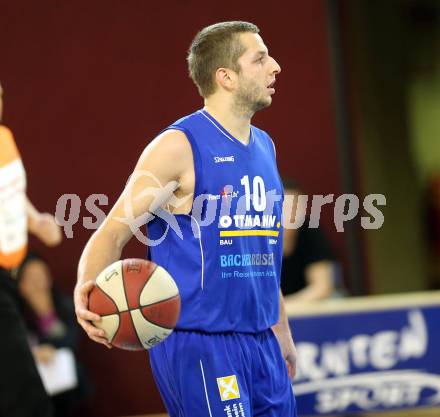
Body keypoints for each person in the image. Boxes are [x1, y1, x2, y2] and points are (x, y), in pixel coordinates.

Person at [75, 21, 297, 416]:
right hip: (201, 344)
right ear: (226, 77)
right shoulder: (177, 146)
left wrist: (281, 330)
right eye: (260, 59)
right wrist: (87, 289)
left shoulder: (266, 146)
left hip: (262, 342)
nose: (275, 66)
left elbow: (262, 252)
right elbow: (112, 233)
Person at [0, 82, 62, 417]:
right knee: (26, 399)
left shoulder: (4, 138)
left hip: (12, 276)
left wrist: (35, 220)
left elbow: (10, 194)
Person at [17, 253, 89, 417]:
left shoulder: (66, 307)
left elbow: (70, 342)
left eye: (41, 276)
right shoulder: (17, 318)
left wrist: (45, 314)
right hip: (35, 395)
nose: (38, 284)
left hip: (71, 392)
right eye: (31, 279)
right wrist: (34, 353)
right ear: (21, 286)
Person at [281, 179, 339, 304]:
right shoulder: (256, 238)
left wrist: (284, 309)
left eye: (295, 207)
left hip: (306, 305)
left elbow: (322, 287)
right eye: (283, 208)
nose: (290, 214)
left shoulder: (311, 231)